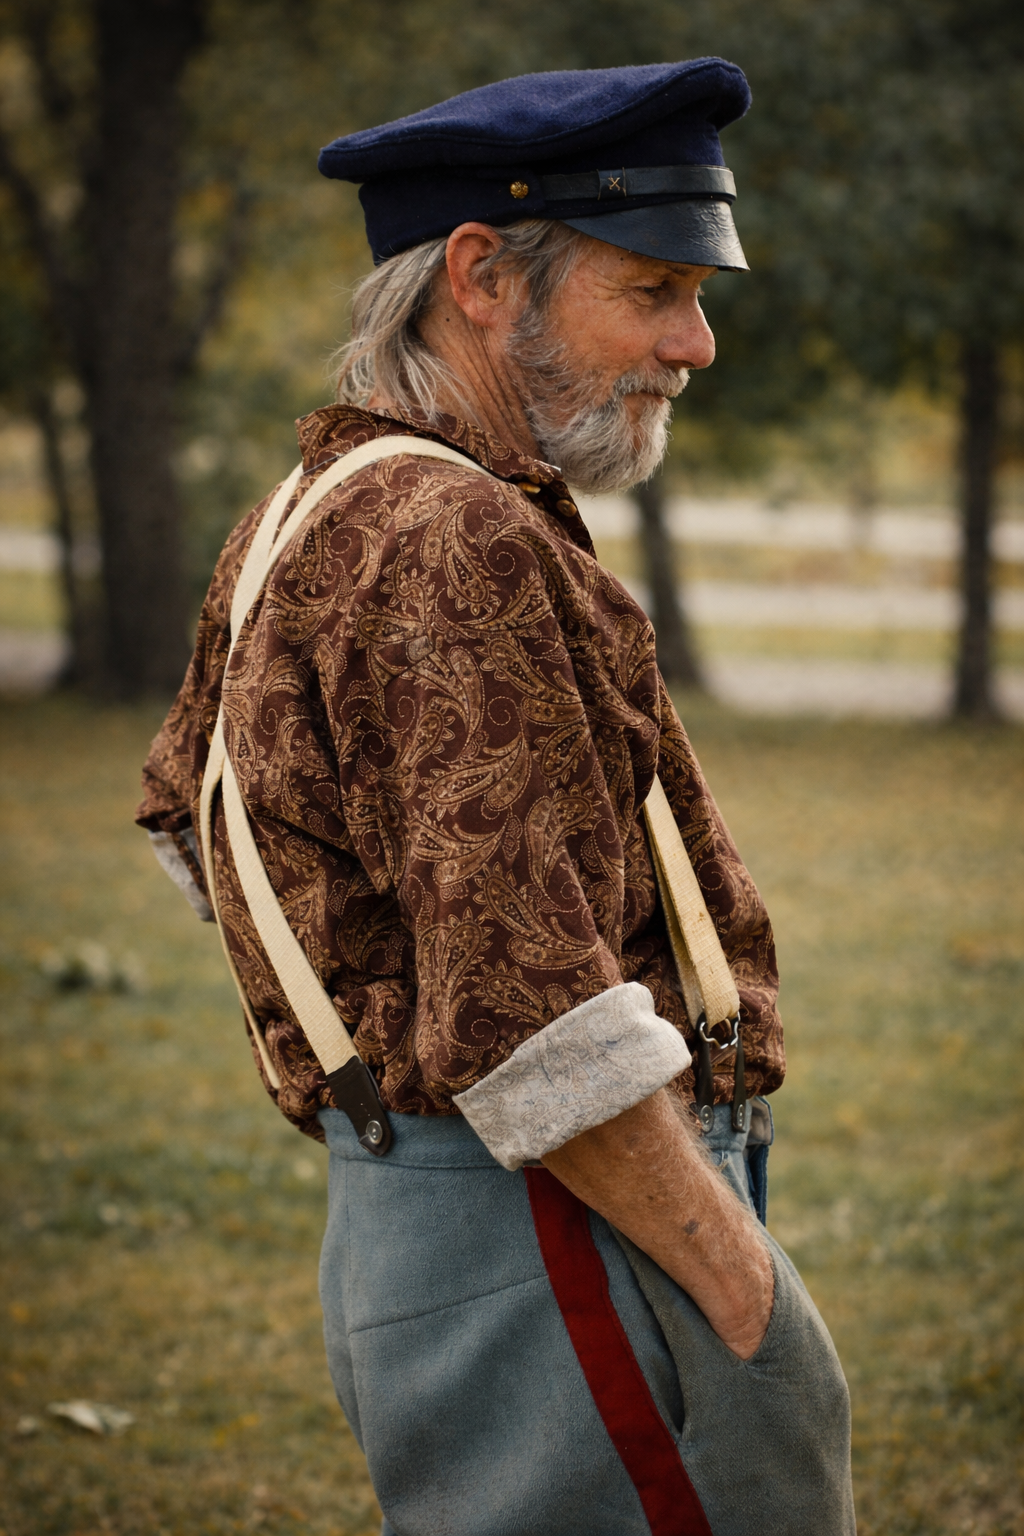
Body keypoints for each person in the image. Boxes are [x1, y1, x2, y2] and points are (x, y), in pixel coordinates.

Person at [138, 59, 855, 1536]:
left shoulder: (307, 510)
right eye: (654, 291)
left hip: (437, 1227)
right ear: (479, 275)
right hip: (559, 1230)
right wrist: (743, 1299)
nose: (697, 342)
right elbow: (533, 1024)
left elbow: (196, 832)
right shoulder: (448, 534)